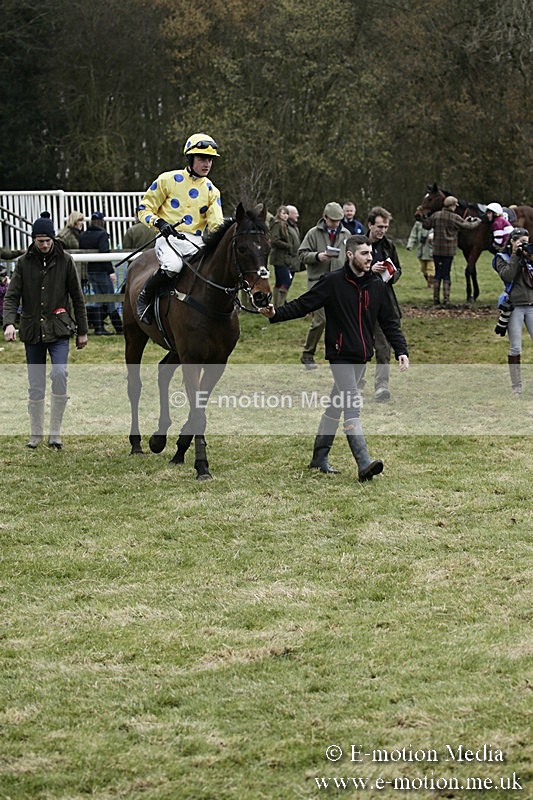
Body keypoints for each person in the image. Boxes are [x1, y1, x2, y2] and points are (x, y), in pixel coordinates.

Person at [259, 234, 409, 480]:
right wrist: (275, 314)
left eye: (370, 253)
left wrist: (401, 350)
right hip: (340, 355)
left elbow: (389, 321)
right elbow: (303, 304)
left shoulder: (377, 284)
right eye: (364, 253)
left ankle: (319, 457)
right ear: (350, 255)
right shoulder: (332, 282)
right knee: (351, 406)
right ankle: (364, 465)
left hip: (362, 356)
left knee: (336, 404)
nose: (369, 258)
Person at [3, 216, 88, 449]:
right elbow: (11, 296)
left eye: (47, 240)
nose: (44, 245)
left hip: (59, 329)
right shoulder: (23, 263)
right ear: (33, 240)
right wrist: (9, 323)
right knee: (36, 383)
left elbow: (77, 298)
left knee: (60, 374)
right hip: (32, 331)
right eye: (40, 241)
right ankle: (36, 433)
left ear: (53, 239)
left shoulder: (66, 261)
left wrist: (83, 331)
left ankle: (56, 431)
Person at [136, 132, 223, 324]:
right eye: (202, 159)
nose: (207, 164)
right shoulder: (167, 180)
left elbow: (216, 223)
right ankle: (144, 298)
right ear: (190, 159)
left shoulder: (212, 190)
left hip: (197, 241)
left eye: (210, 160)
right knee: (174, 266)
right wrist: (159, 223)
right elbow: (144, 209)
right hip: (168, 239)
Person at [298, 202, 350, 369]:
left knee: (340, 320)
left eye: (338, 220)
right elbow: (301, 255)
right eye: (333, 220)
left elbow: (350, 257)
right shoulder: (313, 233)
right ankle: (308, 354)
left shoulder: (346, 234)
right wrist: (317, 256)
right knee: (320, 321)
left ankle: (337, 355)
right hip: (318, 283)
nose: (336, 224)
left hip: (340, 283)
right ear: (325, 217)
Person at [366, 206, 402, 402]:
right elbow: (347, 271)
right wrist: (370, 269)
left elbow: (399, 270)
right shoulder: (358, 244)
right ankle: (354, 384)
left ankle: (382, 386)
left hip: (383, 303)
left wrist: (391, 274)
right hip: (360, 303)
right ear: (370, 225)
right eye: (379, 226)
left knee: (383, 347)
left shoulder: (389, 246)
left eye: (385, 227)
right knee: (359, 347)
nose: (382, 230)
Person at [493, 227, 533, 395]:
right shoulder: (502, 258)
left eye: (527, 241)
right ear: (512, 242)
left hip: (532, 305)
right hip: (515, 306)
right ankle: (516, 387)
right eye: (521, 242)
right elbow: (507, 276)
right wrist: (516, 256)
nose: (524, 245)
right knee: (515, 348)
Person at [422, 195, 480, 307]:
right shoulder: (454, 217)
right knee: (446, 274)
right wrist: (477, 221)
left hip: (436, 250)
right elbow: (468, 226)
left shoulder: (436, 215)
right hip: (448, 252)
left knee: (438, 274)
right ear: (452, 206)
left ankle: (436, 299)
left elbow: (426, 225)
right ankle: (446, 300)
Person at [79, 211, 122, 335]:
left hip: (90, 270)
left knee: (98, 299)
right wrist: (111, 271)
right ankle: (118, 327)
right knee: (110, 298)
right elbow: (104, 253)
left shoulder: (84, 235)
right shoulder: (102, 235)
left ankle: (99, 327)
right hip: (102, 271)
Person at [269, 205, 294, 306]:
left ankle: (277, 306)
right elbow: (275, 240)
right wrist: (287, 246)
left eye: (287, 214)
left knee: (279, 282)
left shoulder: (284, 224)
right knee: (286, 281)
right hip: (279, 258)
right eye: (283, 213)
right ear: (279, 213)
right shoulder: (277, 224)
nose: (285, 216)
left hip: (284, 257)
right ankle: (280, 305)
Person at [406, 218, 434, 288]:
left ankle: (431, 284)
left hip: (431, 250)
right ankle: (428, 281)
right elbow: (413, 234)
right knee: (423, 269)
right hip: (421, 251)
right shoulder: (418, 223)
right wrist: (410, 245)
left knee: (431, 269)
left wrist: (434, 235)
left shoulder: (434, 221)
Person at [285, 204, 302, 274]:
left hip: (294, 261)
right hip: (287, 261)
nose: (297, 215)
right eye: (295, 213)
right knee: (285, 283)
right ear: (289, 214)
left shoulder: (295, 227)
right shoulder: (284, 227)